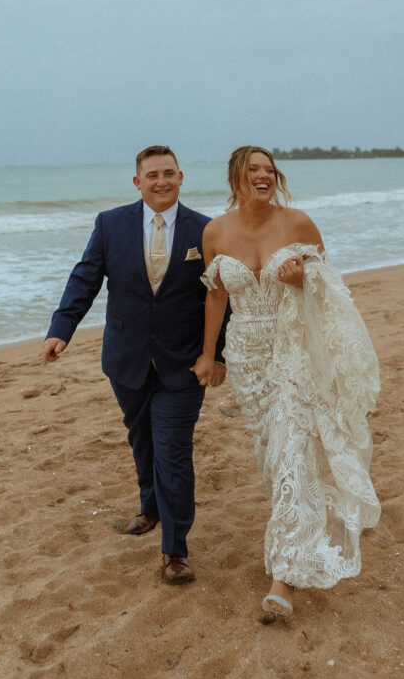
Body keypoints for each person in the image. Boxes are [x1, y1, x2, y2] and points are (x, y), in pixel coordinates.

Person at [193, 146, 380, 622]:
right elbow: (216, 297)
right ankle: (302, 526)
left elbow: (331, 292)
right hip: (247, 355)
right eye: (253, 169)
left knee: (294, 446)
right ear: (236, 176)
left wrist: (300, 282)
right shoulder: (215, 231)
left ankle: (284, 575)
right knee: (272, 453)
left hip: (293, 348)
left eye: (269, 170)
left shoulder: (298, 224)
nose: (264, 175)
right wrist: (209, 355)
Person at [41, 145, 226, 585]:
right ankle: (149, 509)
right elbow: (85, 277)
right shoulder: (110, 224)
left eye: (168, 173)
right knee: (141, 438)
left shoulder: (207, 230)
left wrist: (214, 355)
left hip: (184, 364)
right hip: (126, 359)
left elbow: (223, 295)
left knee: (173, 451)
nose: (160, 181)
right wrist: (60, 330)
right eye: (151, 175)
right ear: (137, 182)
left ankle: (175, 551)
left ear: (181, 177)